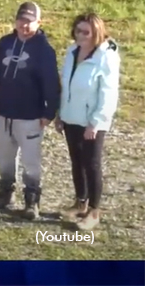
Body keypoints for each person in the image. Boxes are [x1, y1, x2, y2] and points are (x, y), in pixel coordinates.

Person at [0, 1, 61, 220]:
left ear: (38, 22)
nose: (24, 25)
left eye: (29, 21)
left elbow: (51, 82)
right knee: (4, 155)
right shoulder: (6, 42)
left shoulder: (44, 50)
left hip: (30, 114)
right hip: (3, 110)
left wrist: (49, 111)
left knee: (30, 159)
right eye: (21, 20)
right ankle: (5, 193)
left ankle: (32, 201)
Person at [56, 12, 120, 231]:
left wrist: (96, 122)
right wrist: (60, 114)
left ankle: (94, 211)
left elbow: (108, 93)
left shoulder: (106, 56)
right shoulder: (72, 51)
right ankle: (80, 202)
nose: (81, 35)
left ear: (96, 33)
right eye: (78, 30)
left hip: (92, 120)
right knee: (76, 160)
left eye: (86, 32)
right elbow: (66, 86)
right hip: (71, 115)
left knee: (92, 164)